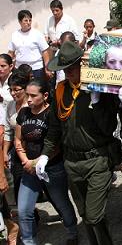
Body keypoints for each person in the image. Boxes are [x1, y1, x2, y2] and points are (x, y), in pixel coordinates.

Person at [35, 41, 122, 245]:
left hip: (97, 160)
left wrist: (97, 104)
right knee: (86, 215)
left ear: (82, 65)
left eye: (71, 68)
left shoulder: (99, 91)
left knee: (94, 214)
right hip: (72, 162)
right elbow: (55, 128)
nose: (68, 73)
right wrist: (45, 155)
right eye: (64, 69)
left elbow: (109, 127)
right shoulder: (61, 91)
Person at [15, 79, 78, 244]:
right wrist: (26, 161)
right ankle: (29, 240)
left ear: (44, 96)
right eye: (27, 95)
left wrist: (37, 162)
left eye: (33, 95)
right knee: (23, 210)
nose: (28, 99)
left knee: (61, 203)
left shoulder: (51, 114)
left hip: (52, 168)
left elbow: (55, 143)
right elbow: (18, 140)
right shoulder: (23, 113)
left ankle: (72, 233)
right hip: (29, 169)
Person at [7, 10, 51, 81]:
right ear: (20, 22)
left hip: (36, 69)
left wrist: (47, 68)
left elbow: (45, 51)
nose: (28, 23)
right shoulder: (15, 35)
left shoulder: (37, 34)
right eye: (26, 20)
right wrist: (7, 65)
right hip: (20, 69)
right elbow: (10, 52)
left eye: (30, 20)